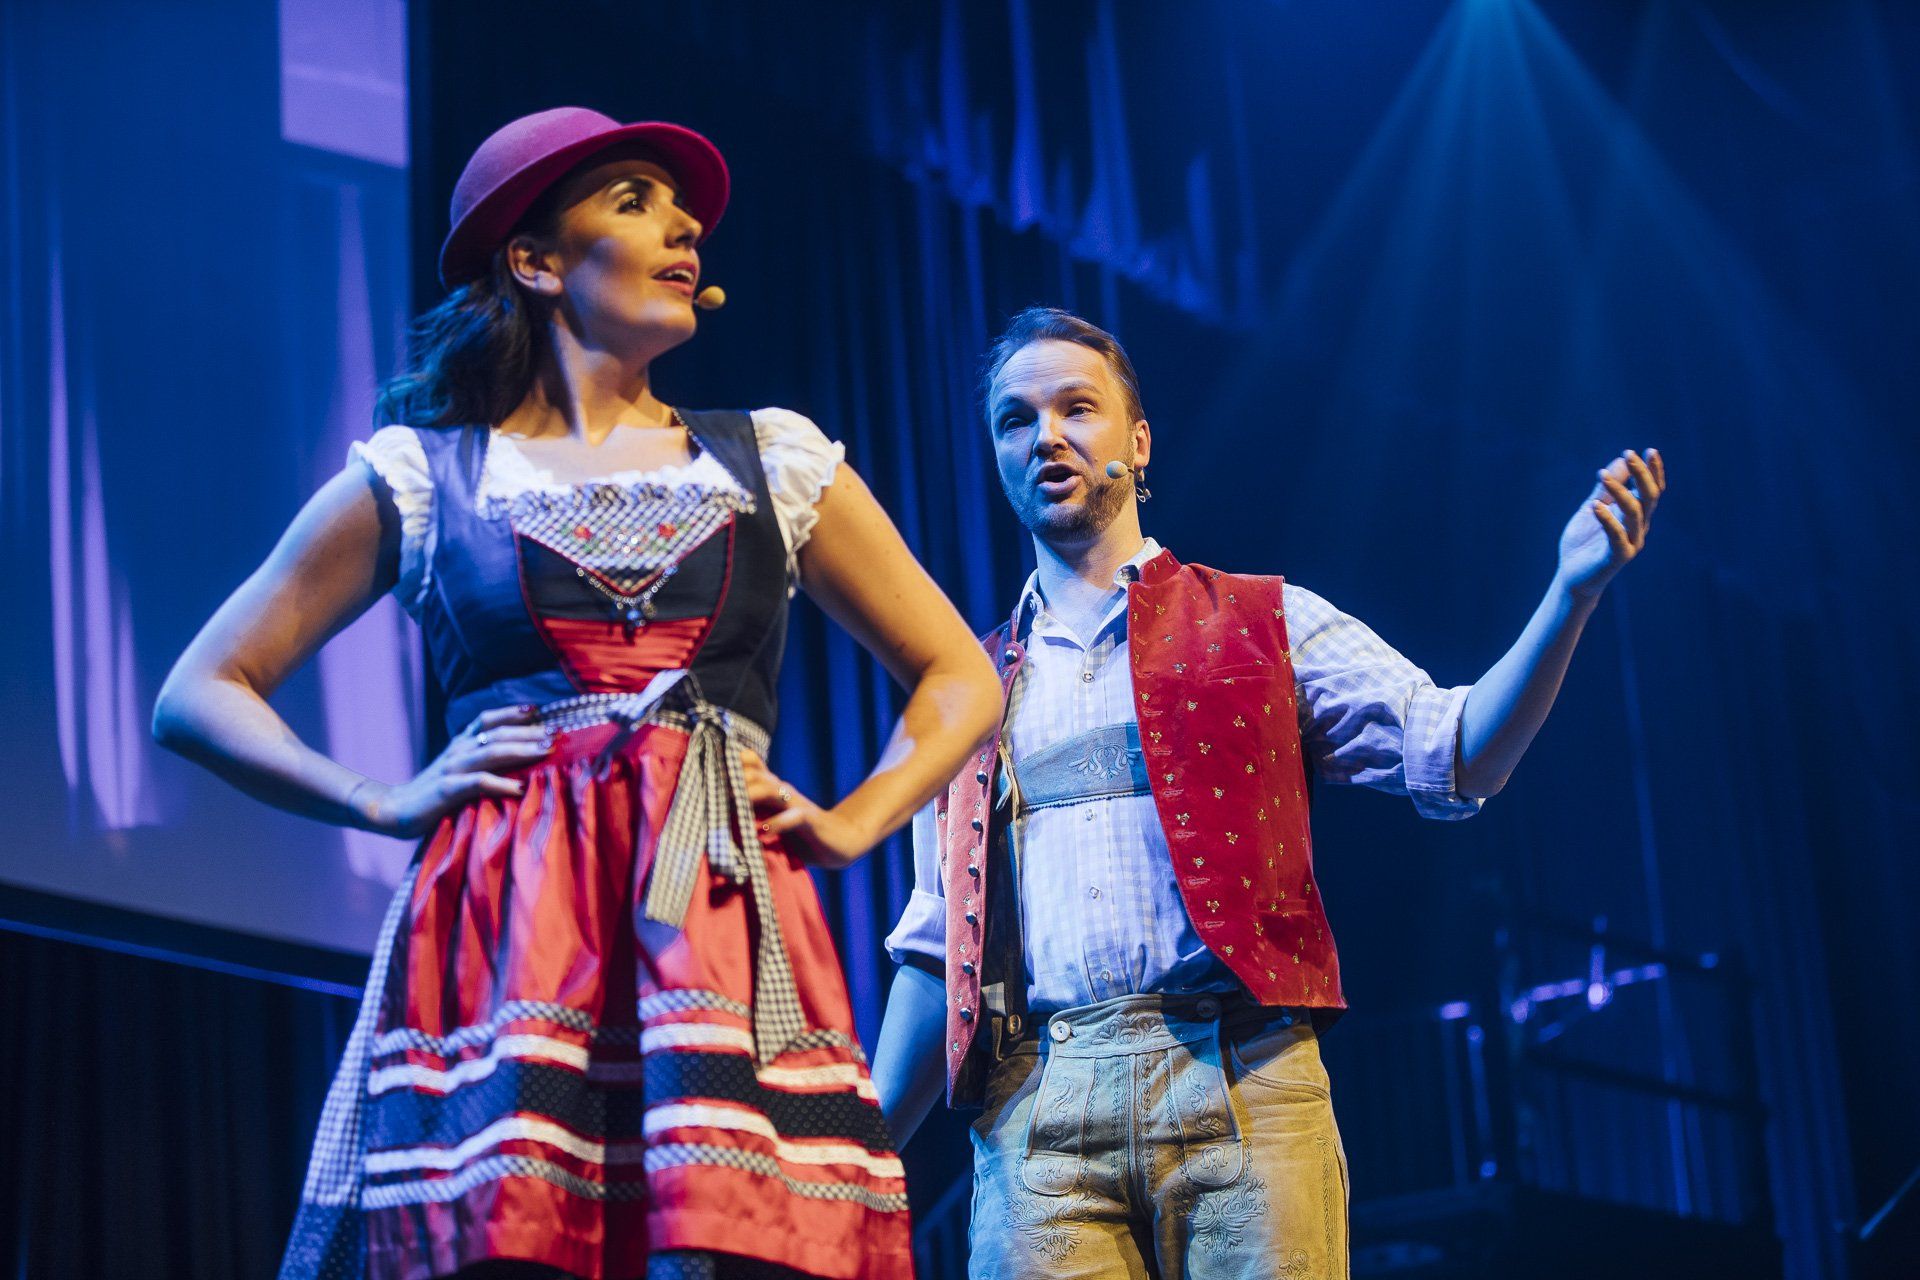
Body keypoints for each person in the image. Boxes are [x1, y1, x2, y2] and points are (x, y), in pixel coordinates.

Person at [152, 106, 1001, 1280]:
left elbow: (960, 674)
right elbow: (201, 688)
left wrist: (856, 821)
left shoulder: (771, 460)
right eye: (635, 201)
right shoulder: (427, 475)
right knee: (512, 1234)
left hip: (708, 914)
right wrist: (377, 798)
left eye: (685, 211)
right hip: (509, 931)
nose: (685, 226)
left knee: (720, 1236)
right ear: (537, 260)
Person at [870, 307, 1668, 1279]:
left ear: (1138, 440)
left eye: (1076, 407)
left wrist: (1571, 592)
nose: (1045, 435)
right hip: (1039, 1107)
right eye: (1014, 418)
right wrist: (850, 1161)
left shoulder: (1263, 622)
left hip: (1243, 1079)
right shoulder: (966, 689)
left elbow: (1461, 752)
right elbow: (935, 951)